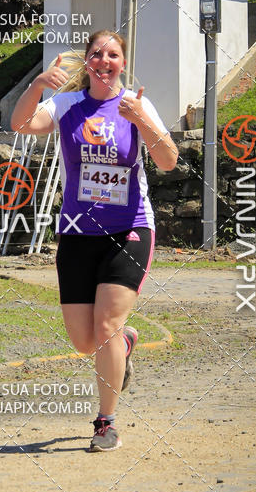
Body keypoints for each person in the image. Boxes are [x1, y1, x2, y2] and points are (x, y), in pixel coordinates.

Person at [10, 30, 178, 452]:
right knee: (86, 342)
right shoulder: (66, 105)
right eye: (97, 54)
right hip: (77, 233)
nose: (105, 60)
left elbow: (169, 160)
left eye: (113, 54)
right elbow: (21, 124)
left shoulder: (136, 105)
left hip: (130, 228)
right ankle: (125, 342)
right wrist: (36, 87)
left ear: (123, 63)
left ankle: (105, 422)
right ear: (87, 63)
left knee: (105, 324)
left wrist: (139, 117)